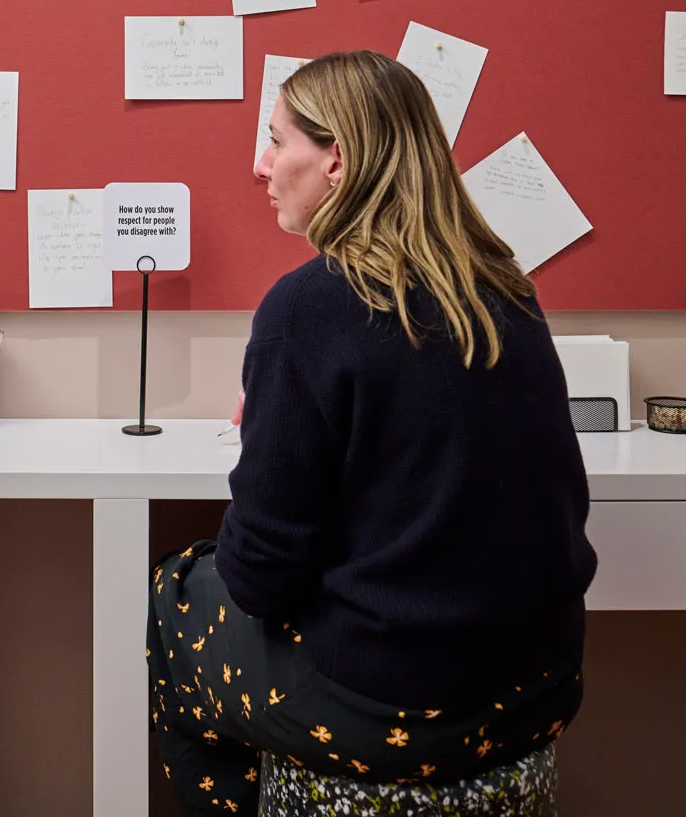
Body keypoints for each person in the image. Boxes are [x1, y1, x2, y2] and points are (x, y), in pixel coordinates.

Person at [148, 50, 597, 815]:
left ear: (337, 160)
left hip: (393, 705)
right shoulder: (505, 289)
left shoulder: (307, 307)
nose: (259, 164)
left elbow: (259, 576)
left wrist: (276, 422)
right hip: (536, 681)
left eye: (275, 138)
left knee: (173, 594)